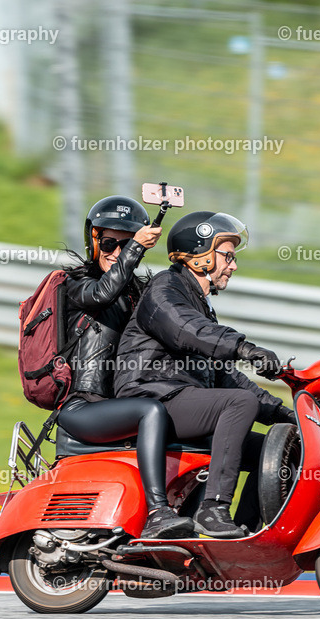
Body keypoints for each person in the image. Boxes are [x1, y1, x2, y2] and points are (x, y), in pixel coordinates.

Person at [114, 210, 296, 539]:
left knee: (274, 448)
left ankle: (249, 535)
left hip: (183, 401)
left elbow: (225, 376)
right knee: (238, 404)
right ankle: (213, 509)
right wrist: (245, 349)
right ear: (200, 257)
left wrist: (282, 413)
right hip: (152, 396)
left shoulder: (197, 302)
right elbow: (190, 330)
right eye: (227, 255)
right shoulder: (164, 293)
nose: (234, 265)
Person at [57, 195, 193, 539]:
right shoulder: (75, 285)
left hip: (117, 406)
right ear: (93, 240)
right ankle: (158, 512)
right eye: (109, 243)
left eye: (126, 245)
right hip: (83, 407)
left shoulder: (137, 293)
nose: (116, 251)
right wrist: (135, 248)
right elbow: (103, 293)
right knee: (150, 412)